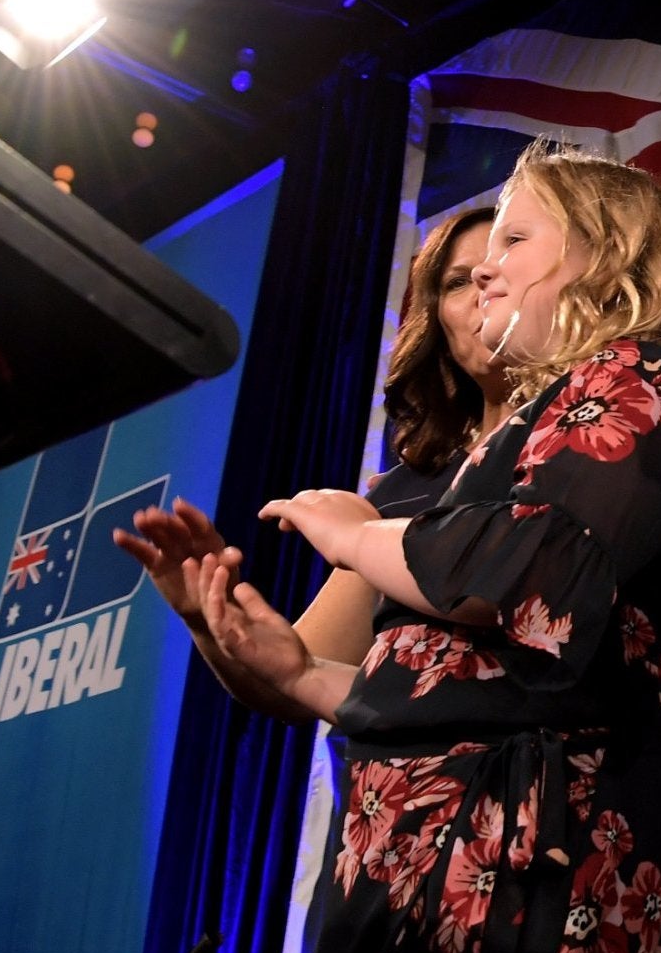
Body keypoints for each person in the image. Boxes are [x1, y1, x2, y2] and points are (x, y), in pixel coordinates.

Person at [124, 144, 661, 953]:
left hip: (531, 849)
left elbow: (526, 579)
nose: (485, 271)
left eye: (511, 238)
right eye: (465, 262)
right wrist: (244, 640)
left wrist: (359, 538)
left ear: (606, 253)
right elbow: (398, 685)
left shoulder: (633, 384)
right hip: (414, 861)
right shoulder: (467, 464)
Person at [116, 206, 513, 722]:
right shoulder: (399, 495)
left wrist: (357, 537)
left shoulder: (592, 440)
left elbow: (520, 593)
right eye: (458, 281)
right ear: (438, 321)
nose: (484, 285)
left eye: (501, 263)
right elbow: (295, 682)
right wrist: (211, 620)